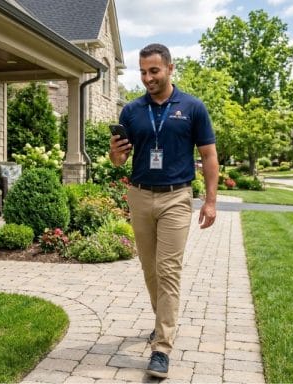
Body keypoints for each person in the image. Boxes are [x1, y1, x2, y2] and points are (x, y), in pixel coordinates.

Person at [109, 43, 218, 378]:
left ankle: (162, 348)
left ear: (170, 68)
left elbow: (210, 156)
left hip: (176, 197)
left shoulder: (192, 107)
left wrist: (210, 201)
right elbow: (119, 161)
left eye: (153, 71)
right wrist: (115, 152)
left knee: (168, 269)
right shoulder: (131, 111)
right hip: (139, 196)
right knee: (150, 270)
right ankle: (163, 324)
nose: (147, 78)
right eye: (142, 72)